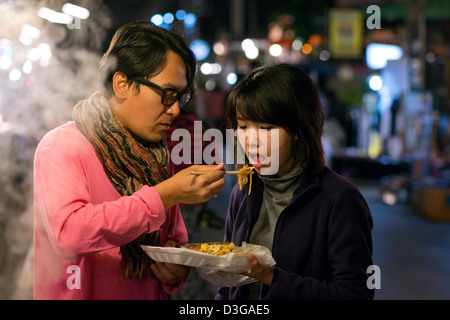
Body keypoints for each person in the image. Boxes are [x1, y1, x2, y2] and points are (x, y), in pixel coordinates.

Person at [33, 20, 225, 300]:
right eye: (166, 94)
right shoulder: (62, 146)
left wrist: (175, 269)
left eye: (180, 97)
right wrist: (162, 196)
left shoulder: (156, 154)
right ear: (122, 84)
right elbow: (69, 235)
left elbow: (174, 241)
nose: (173, 109)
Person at [216, 63, 374, 300]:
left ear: (298, 129)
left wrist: (272, 278)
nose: (250, 141)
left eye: (266, 128)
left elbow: (355, 294)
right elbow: (228, 287)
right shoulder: (245, 188)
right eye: (243, 127)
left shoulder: (339, 200)